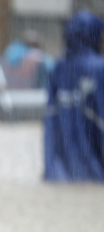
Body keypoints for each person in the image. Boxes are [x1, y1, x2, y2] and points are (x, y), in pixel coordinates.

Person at [44, 11, 104, 182]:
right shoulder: (100, 68)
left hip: (60, 170)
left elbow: (50, 118)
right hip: (95, 170)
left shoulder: (59, 68)